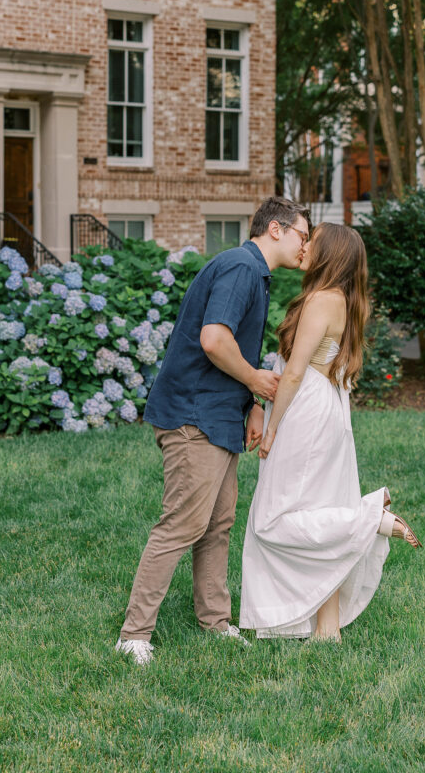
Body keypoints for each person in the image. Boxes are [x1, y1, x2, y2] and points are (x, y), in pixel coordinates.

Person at [116, 196, 311, 664]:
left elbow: (233, 347)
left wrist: (254, 406)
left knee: (217, 524)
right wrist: (255, 380)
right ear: (277, 230)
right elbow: (214, 339)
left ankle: (215, 622)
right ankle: (134, 636)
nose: (308, 246)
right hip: (193, 416)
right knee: (182, 523)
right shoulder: (242, 267)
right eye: (304, 235)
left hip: (220, 416)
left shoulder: (256, 276)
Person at [240, 222, 421, 642]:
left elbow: (294, 373)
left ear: (329, 254)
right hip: (330, 407)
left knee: (273, 519)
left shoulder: (321, 299)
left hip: (306, 409)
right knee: (318, 510)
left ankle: (370, 518)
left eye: (311, 241)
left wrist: (271, 429)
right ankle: (327, 628)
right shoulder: (345, 300)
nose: (303, 246)